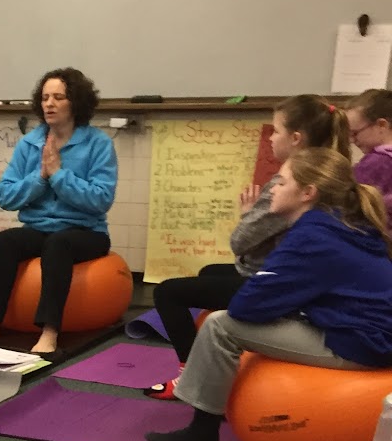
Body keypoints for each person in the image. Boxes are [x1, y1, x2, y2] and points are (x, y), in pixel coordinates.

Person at [146, 148, 392, 441]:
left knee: (219, 325)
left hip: (364, 345)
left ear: (307, 193)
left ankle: (202, 433)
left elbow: (244, 308)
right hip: (372, 336)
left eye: (281, 182)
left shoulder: (313, 235)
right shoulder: (342, 224)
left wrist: (275, 298)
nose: (272, 188)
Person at [145, 95, 352, 398]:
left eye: (276, 131)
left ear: (296, 138)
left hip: (278, 286)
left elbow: (240, 241)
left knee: (167, 292)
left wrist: (247, 215)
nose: (270, 138)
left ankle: (190, 376)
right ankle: (221, 360)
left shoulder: (293, 182)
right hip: (289, 279)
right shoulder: (325, 172)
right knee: (208, 272)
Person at [0, 67, 118, 358]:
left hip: (86, 231)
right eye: (45, 97)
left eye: (58, 97)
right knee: (6, 240)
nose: (49, 104)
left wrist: (59, 175)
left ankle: (50, 330)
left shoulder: (98, 144)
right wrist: (40, 178)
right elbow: (5, 196)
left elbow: (101, 200)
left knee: (58, 244)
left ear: (76, 102)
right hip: (39, 228)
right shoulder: (30, 143)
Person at [347, 88, 392, 200]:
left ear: (382, 125)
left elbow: (352, 200)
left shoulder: (375, 163)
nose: (352, 140)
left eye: (355, 133)